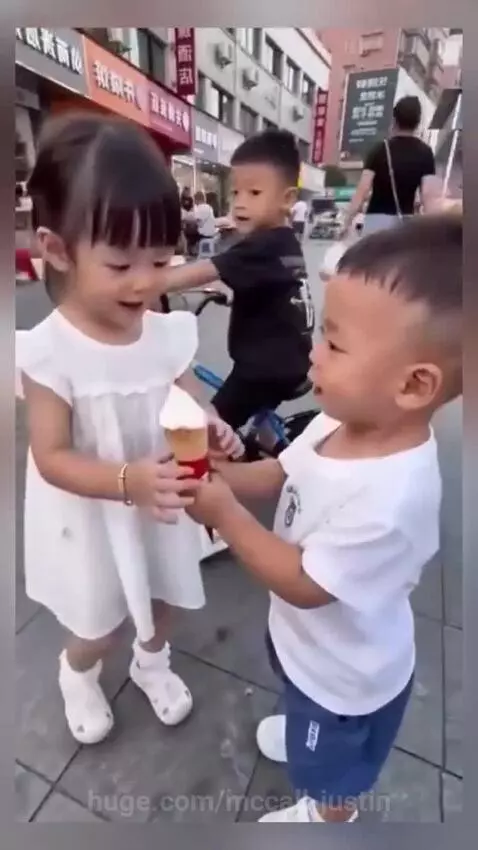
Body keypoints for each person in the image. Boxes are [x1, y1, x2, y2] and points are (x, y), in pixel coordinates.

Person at [186, 213, 462, 823]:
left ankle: (326, 816)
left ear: (414, 385)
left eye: (334, 344)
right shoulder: (337, 421)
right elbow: (280, 471)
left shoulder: (394, 496)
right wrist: (220, 474)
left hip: (345, 680)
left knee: (331, 772)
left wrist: (226, 515)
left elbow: (306, 584)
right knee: (297, 691)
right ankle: (305, 737)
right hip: (310, 651)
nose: (313, 354)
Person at [15, 113, 240, 746]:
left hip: (159, 501)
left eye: (160, 260)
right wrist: (125, 479)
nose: (145, 282)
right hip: (92, 512)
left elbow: (187, 400)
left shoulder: (163, 333)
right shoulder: (50, 354)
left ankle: (153, 660)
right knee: (99, 618)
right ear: (57, 249)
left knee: (165, 592)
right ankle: (77, 672)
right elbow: (53, 456)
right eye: (119, 265)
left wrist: (212, 426)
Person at [155, 129, 314, 430]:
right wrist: (230, 293)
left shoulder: (262, 245)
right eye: (235, 193)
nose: (240, 203)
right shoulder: (284, 241)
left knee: (208, 430)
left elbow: (203, 270)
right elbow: (268, 285)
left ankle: (229, 473)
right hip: (291, 361)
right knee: (257, 425)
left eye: (254, 193)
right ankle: (264, 448)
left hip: (263, 371)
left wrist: (145, 283)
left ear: (287, 199)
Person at [340, 96, 440, 238]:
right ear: (418, 123)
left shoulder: (379, 149)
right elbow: (429, 199)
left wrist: (346, 222)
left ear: (394, 120)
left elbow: (362, 191)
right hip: (404, 225)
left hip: (375, 224)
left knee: (373, 260)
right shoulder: (425, 153)